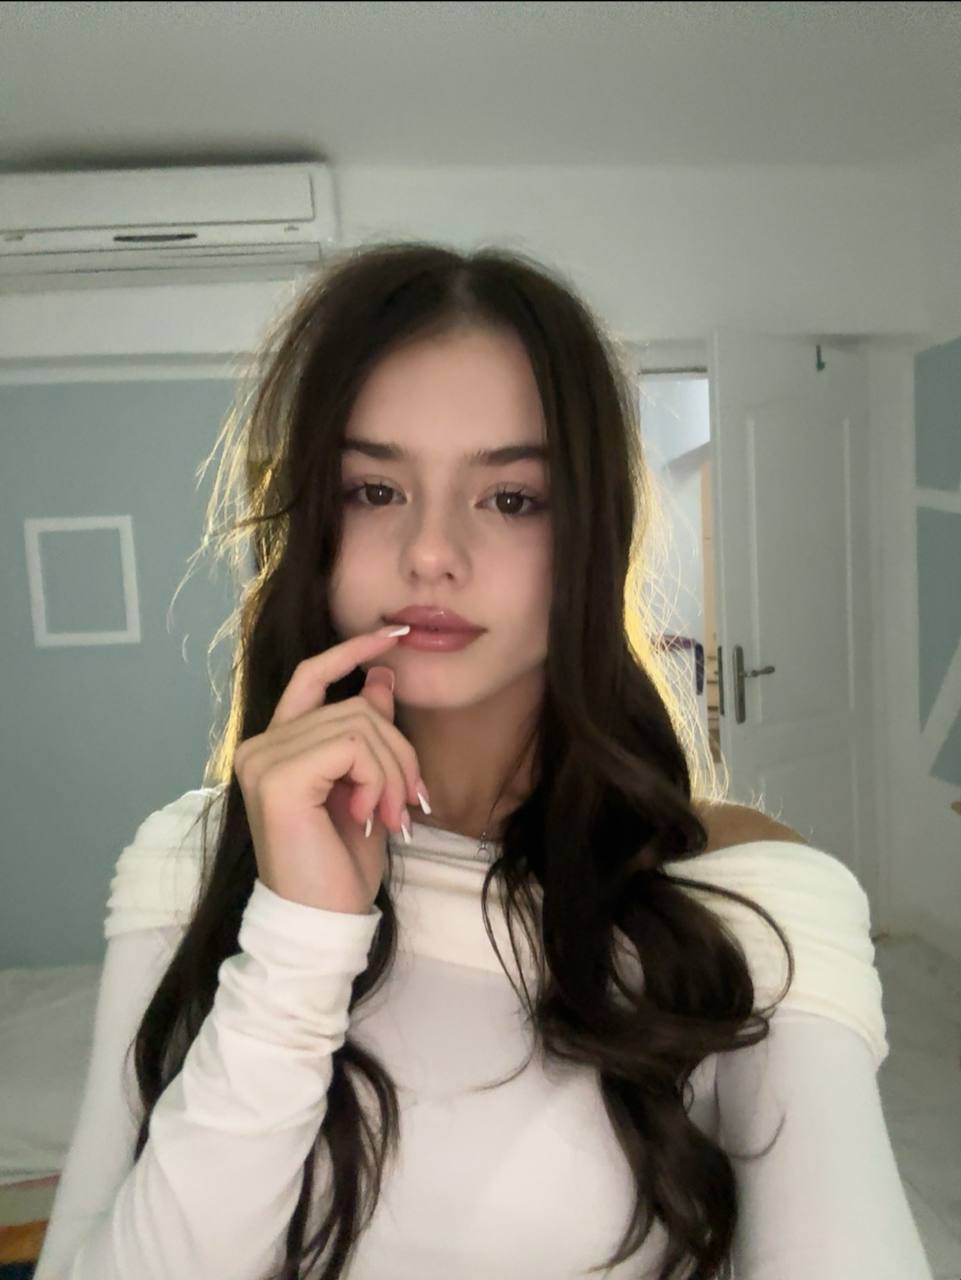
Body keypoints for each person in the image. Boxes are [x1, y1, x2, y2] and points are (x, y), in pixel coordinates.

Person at [34, 242, 934, 1280]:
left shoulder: (744, 893)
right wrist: (299, 940)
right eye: (374, 489)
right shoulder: (186, 862)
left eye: (510, 498)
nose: (430, 552)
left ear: (590, 532)